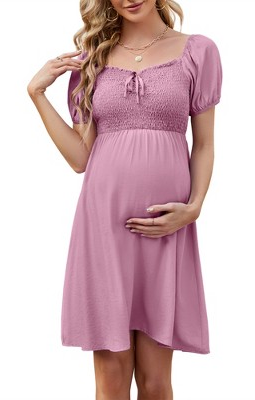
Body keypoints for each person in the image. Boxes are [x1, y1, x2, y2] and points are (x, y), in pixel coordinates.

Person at [27, 0, 222, 398]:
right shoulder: (91, 61)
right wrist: (37, 95)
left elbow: (203, 145)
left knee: (155, 379)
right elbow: (80, 158)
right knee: (111, 378)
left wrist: (193, 208)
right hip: (104, 227)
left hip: (164, 228)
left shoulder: (197, 51)